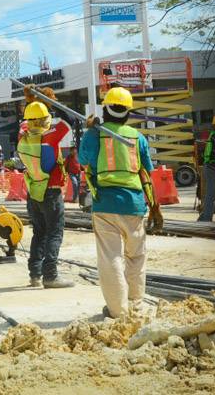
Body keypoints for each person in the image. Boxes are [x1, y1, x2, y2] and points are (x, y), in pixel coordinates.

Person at [79, 87, 158, 319]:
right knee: (136, 257)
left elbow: (84, 159)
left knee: (110, 258)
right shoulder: (138, 137)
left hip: (105, 204)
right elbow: (146, 173)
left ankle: (118, 311)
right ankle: (135, 305)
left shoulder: (95, 134)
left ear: (105, 109)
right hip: (134, 205)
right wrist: (155, 206)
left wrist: (90, 130)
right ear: (128, 113)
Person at [17, 85, 73, 289]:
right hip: (51, 192)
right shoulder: (51, 137)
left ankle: (35, 274)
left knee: (39, 233)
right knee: (54, 233)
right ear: (46, 118)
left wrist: (35, 102)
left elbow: (27, 121)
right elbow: (70, 119)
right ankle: (51, 275)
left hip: (33, 193)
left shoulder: (22, 137)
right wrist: (51, 103)